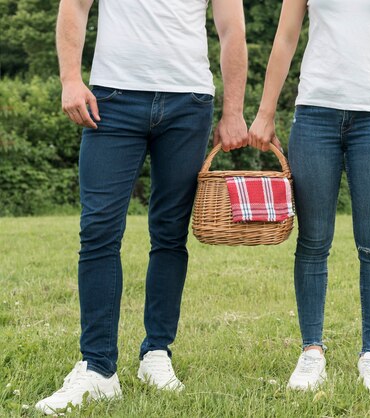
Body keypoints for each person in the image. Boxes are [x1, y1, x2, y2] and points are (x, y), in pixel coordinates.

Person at [36, 0, 248, 414]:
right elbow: (74, 6)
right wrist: (70, 80)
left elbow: (232, 30)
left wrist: (234, 110)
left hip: (189, 102)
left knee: (170, 234)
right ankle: (98, 369)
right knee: (98, 230)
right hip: (112, 99)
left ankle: (157, 354)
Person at [248, 0, 370, 391]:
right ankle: (311, 352)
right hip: (314, 116)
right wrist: (265, 112)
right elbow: (286, 37)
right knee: (313, 240)